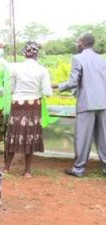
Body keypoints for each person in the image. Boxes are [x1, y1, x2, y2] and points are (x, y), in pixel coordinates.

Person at [52, 33, 106, 177]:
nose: (77, 44)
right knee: (104, 137)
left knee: (83, 137)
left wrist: (56, 85)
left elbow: (73, 82)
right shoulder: (102, 59)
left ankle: (79, 169)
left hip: (86, 103)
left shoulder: (78, 58)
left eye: (78, 42)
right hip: (103, 102)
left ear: (83, 43)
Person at [3, 42, 53, 178]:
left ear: (24, 53)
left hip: (17, 104)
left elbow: (11, 89)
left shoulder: (15, 69)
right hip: (33, 105)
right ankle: (27, 171)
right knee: (30, 136)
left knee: (14, 134)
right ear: (36, 54)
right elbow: (47, 92)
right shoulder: (42, 70)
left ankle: (7, 168)